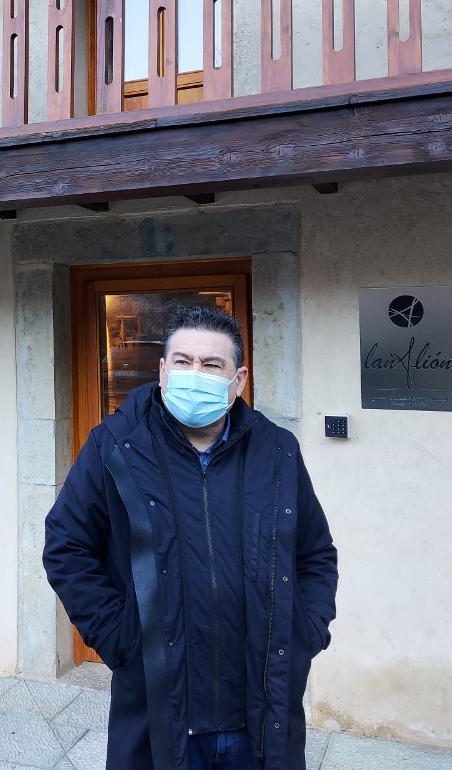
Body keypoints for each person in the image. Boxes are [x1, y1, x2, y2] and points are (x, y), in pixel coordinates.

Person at [44, 305, 338, 770]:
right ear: (162, 371)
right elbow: (67, 546)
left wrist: (304, 633)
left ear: (237, 380)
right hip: (160, 708)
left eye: (211, 365)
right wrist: (120, 638)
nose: (193, 374)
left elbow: (315, 553)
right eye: (182, 361)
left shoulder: (277, 450)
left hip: (259, 715)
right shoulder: (115, 445)